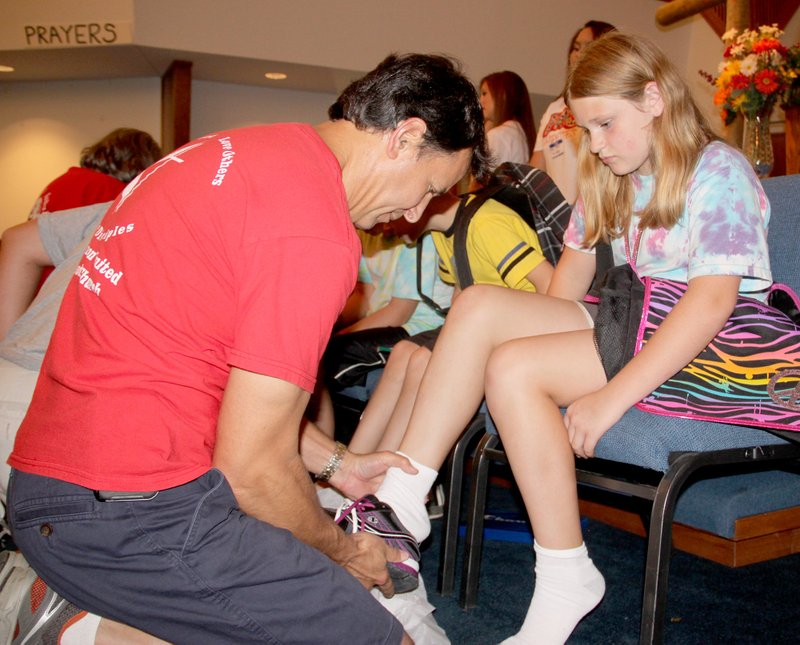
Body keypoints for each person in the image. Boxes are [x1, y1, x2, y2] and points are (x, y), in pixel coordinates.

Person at [6, 53, 490, 645]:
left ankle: (99, 622)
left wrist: (338, 464)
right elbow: (253, 473)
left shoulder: (235, 151)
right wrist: (346, 554)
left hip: (49, 489)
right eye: (430, 188)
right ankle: (87, 629)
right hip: (130, 514)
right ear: (406, 137)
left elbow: (210, 368)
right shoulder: (313, 229)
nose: (416, 214)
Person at [340, 32, 772, 644]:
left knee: (514, 371)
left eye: (604, 125)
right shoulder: (613, 176)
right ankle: (407, 494)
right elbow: (561, 296)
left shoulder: (716, 169)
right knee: (480, 303)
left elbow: (712, 304)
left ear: (654, 99)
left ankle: (563, 570)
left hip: (716, 349)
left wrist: (613, 394)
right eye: (586, 131)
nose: (594, 145)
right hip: (636, 321)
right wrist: (492, 334)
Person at [348, 185, 554, 455]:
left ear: (412, 209)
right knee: (402, 352)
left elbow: (549, 284)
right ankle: (355, 462)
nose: (384, 226)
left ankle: (385, 473)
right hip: (481, 327)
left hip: (514, 332)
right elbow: (461, 289)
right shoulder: (443, 234)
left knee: (422, 361)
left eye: (389, 214)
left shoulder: (486, 224)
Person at [27, 128, 161, 289]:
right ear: (138, 163)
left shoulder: (66, 181)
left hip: (39, 286)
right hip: (64, 288)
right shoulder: (106, 189)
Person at [530, 20, 615, 204]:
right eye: (576, 48)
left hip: (592, 214)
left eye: (589, 47)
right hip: (556, 219)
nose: (579, 54)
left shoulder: (610, 105)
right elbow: (536, 169)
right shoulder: (554, 108)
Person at [479, 71, 536, 168]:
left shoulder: (498, 135)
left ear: (502, 95)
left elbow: (482, 179)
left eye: (484, 93)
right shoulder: (521, 132)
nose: (480, 100)